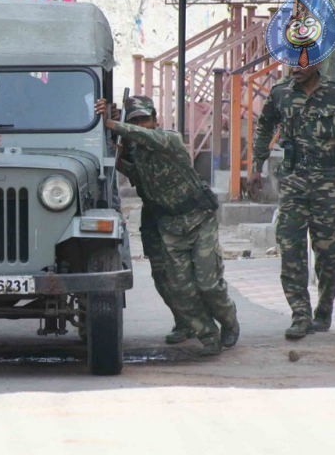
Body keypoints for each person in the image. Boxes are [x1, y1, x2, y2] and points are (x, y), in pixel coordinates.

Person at [251, 62, 335, 339]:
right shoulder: (280, 94)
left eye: (300, 63)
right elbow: (264, 126)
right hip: (292, 181)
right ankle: (300, 314)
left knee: (328, 252)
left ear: (316, 63)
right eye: (290, 62)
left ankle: (323, 312)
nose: (294, 68)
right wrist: (256, 165)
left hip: (325, 181)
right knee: (291, 249)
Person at [99, 96, 240, 355]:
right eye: (135, 121)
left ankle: (230, 322)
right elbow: (127, 167)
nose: (142, 125)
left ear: (156, 121)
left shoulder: (169, 139)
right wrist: (109, 125)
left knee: (208, 283)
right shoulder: (137, 155)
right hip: (169, 226)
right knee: (179, 287)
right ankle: (208, 336)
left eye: (145, 120)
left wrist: (115, 124)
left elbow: (145, 137)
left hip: (199, 219)